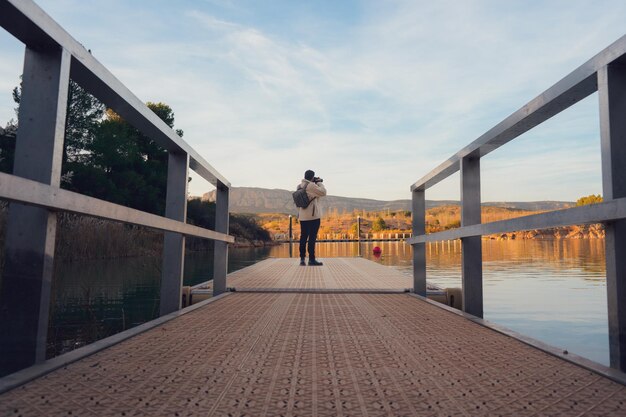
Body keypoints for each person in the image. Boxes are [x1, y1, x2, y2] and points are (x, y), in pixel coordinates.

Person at [297, 170, 327, 266]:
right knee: (312, 238)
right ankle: (311, 260)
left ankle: (302, 259)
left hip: (302, 216)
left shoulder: (299, 186)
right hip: (313, 216)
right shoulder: (311, 186)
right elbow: (323, 192)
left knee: (303, 237)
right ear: (312, 177)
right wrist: (319, 183)